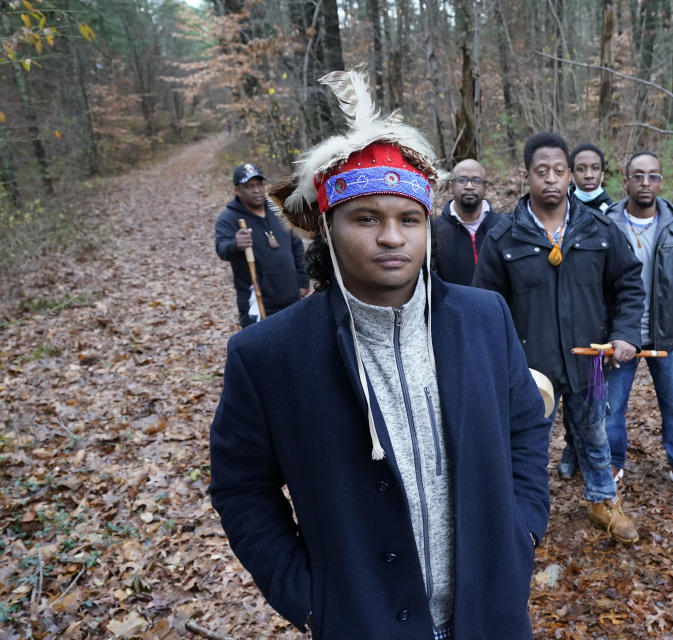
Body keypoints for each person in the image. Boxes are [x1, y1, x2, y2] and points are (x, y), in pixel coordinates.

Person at [209, 70, 552, 640]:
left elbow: (525, 427)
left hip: (488, 613)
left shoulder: (484, 319)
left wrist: (521, 532)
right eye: (367, 218)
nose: (392, 237)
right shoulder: (269, 356)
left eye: (409, 219)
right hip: (362, 622)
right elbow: (242, 489)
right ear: (328, 228)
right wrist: (313, 598)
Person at [473, 132, 646, 544]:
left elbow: (629, 285)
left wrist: (624, 334)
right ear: (526, 176)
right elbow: (483, 307)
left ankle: (602, 501)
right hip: (531, 370)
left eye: (558, 171)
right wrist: (503, 360)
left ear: (570, 175)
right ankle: (523, 515)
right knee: (528, 444)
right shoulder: (503, 238)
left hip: (589, 362)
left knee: (594, 433)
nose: (550, 180)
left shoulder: (598, 229)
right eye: (541, 172)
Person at [601, 151, 673, 500]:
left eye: (652, 176)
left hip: (667, 334)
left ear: (661, 181)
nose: (645, 182)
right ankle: (612, 462)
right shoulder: (607, 223)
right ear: (626, 180)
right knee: (612, 407)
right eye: (638, 175)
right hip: (622, 333)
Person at [214, 163, 309, 327]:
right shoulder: (229, 218)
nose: (257, 190)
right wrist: (236, 244)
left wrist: (303, 282)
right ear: (237, 190)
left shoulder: (278, 209)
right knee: (262, 351)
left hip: (292, 299)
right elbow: (222, 249)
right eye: (249, 186)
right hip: (257, 303)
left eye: (259, 184)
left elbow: (296, 246)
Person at [431, 158, 503, 285]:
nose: (469, 186)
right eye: (462, 180)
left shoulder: (503, 227)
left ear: (485, 186)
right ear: (451, 186)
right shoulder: (435, 231)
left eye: (476, 180)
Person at [569, 143, 614, 213]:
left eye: (595, 168)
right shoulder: (563, 208)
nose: (589, 175)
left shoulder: (612, 211)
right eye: (581, 169)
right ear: (571, 176)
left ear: (602, 175)